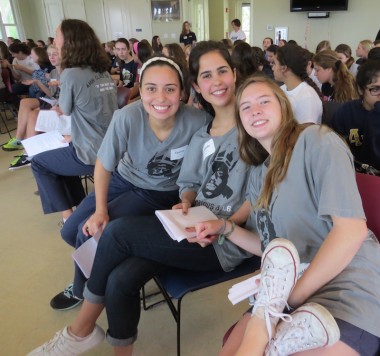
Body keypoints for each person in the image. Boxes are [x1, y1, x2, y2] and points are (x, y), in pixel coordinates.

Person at [27, 40, 253, 356]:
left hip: (225, 236)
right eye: (205, 75)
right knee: (116, 275)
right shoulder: (203, 131)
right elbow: (187, 181)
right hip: (188, 219)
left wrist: (228, 224)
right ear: (197, 85)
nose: (215, 82)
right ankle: (100, 329)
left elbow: (264, 188)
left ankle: (80, 330)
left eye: (222, 72)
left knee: (113, 234)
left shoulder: (251, 123)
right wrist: (187, 200)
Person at [217, 75, 380, 355]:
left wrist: (290, 297)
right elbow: (271, 249)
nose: (255, 110)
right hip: (284, 290)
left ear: (284, 107)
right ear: (241, 121)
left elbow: (351, 231)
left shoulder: (317, 142)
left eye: (264, 101)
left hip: (343, 285)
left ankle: (267, 330)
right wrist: (225, 229)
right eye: (245, 107)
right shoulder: (259, 172)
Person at [51, 56, 210, 311]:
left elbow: (197, 172)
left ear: (182, 92)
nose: (160, 98)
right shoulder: (127, 116)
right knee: (70, 231)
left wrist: (187, 198)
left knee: (87, 231)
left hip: (158, 191)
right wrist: (101, 209)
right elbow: (103, 165)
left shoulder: (197, 122)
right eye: (151, 88)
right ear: (140, 87)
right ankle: (100, 264)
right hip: (124, 179)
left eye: (170, 89)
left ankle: (84, 291)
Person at [30, 19, 117, 225]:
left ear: (68, 41)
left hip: (90, 152)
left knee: (39, 163)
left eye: (57, 34)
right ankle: (78, 209)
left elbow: (66, 109)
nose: (54, 39)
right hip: (112, 146)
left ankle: (68, 217)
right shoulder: (102, 71)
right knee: (60, 156)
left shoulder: (70, 73)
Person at [331, 59, 380, 178]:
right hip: (347, 175)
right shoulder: (345, 112)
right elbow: (334, 151)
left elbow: (379, 163)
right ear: (360, 90)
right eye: (375, 89)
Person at [5, 45, 62, 170]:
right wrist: (38, 82)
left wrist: (60, 85)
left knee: (34, 113)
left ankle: (28, 152)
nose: (51, 57)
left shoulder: (68, 72)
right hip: (54, 101)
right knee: (25, 102)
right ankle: (20, 140)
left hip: (61, 105)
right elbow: (51, 94)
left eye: (55, 54)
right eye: (50, 54)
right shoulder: (53, 72)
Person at [272, 43, 323, 124]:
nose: (272, 68)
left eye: (274, 63)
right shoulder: (283, 89)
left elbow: (306, 134)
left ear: (284, 68)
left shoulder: (307, 98)